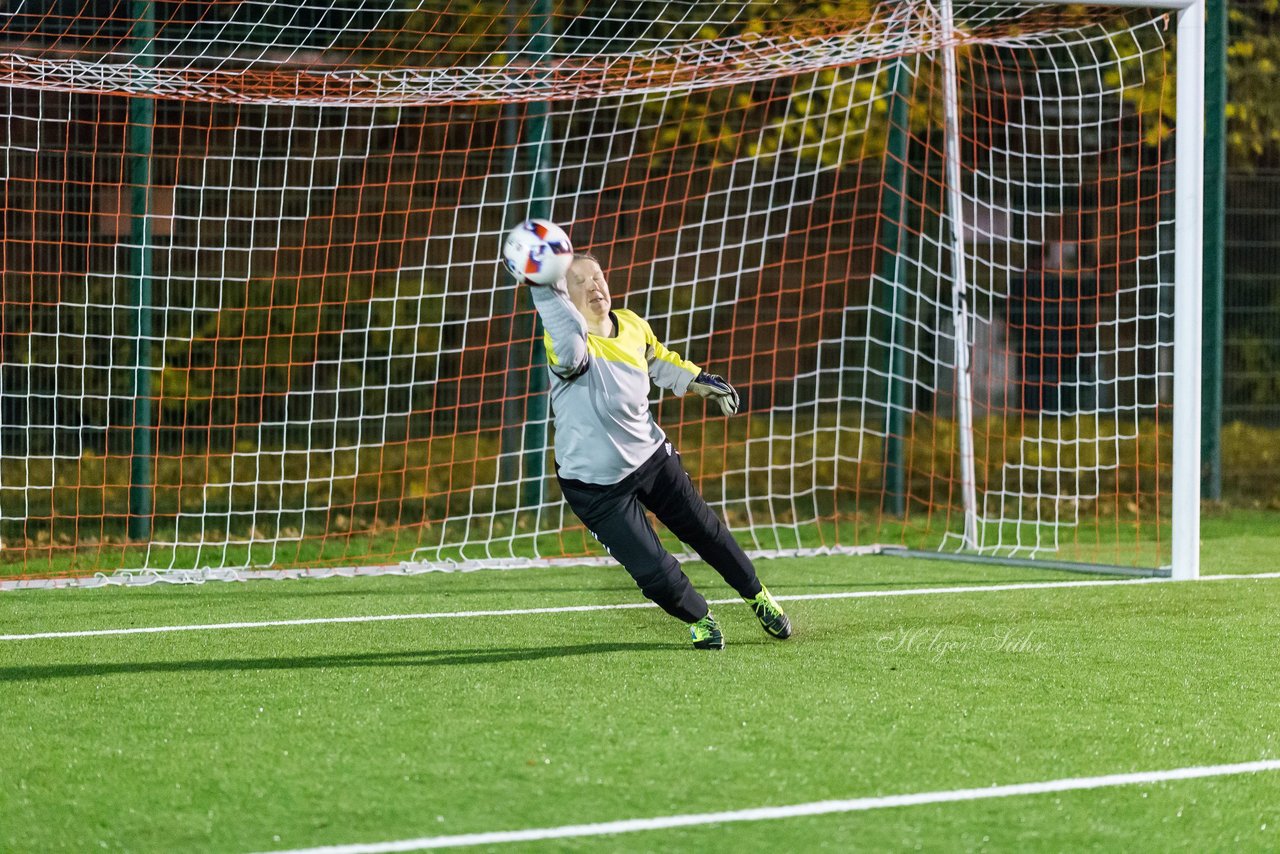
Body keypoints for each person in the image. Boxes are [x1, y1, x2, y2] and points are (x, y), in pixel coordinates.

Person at [521, 251, 792, 650]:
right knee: (654, 572)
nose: (595, 285)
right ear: (565, 295)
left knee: (705, 532)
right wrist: (542, 285)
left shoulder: (630, 324)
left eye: (598, 276)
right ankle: (700, 618)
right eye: (580, 281)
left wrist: (699, 380)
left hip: (652, 459)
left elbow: (657, 360)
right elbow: (563, 331)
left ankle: (757, 596)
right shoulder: (569, 345)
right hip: (594, 488)